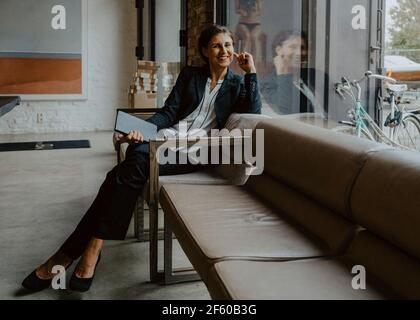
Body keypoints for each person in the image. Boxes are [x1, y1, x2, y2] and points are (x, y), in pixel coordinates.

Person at [21, 25, 261, 292]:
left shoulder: (237, 84)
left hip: (195, 152)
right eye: (216, 45)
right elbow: (168, 113)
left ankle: (77, 251)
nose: (224, 51)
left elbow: (252, 114)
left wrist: (251, 73)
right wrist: (143, 130)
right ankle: (89, 248)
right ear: (205, 50)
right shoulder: (191, 75)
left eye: (228, 45)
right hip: (166, 139)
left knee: (130, 163)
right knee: (127, 166)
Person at [261, 30, 326, 116]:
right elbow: (286, 110)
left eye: (303, 48)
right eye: (293, 47)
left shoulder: (310, 77)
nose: (299, 52)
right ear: (279, 50)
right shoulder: (267, 84)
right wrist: (283, 73)